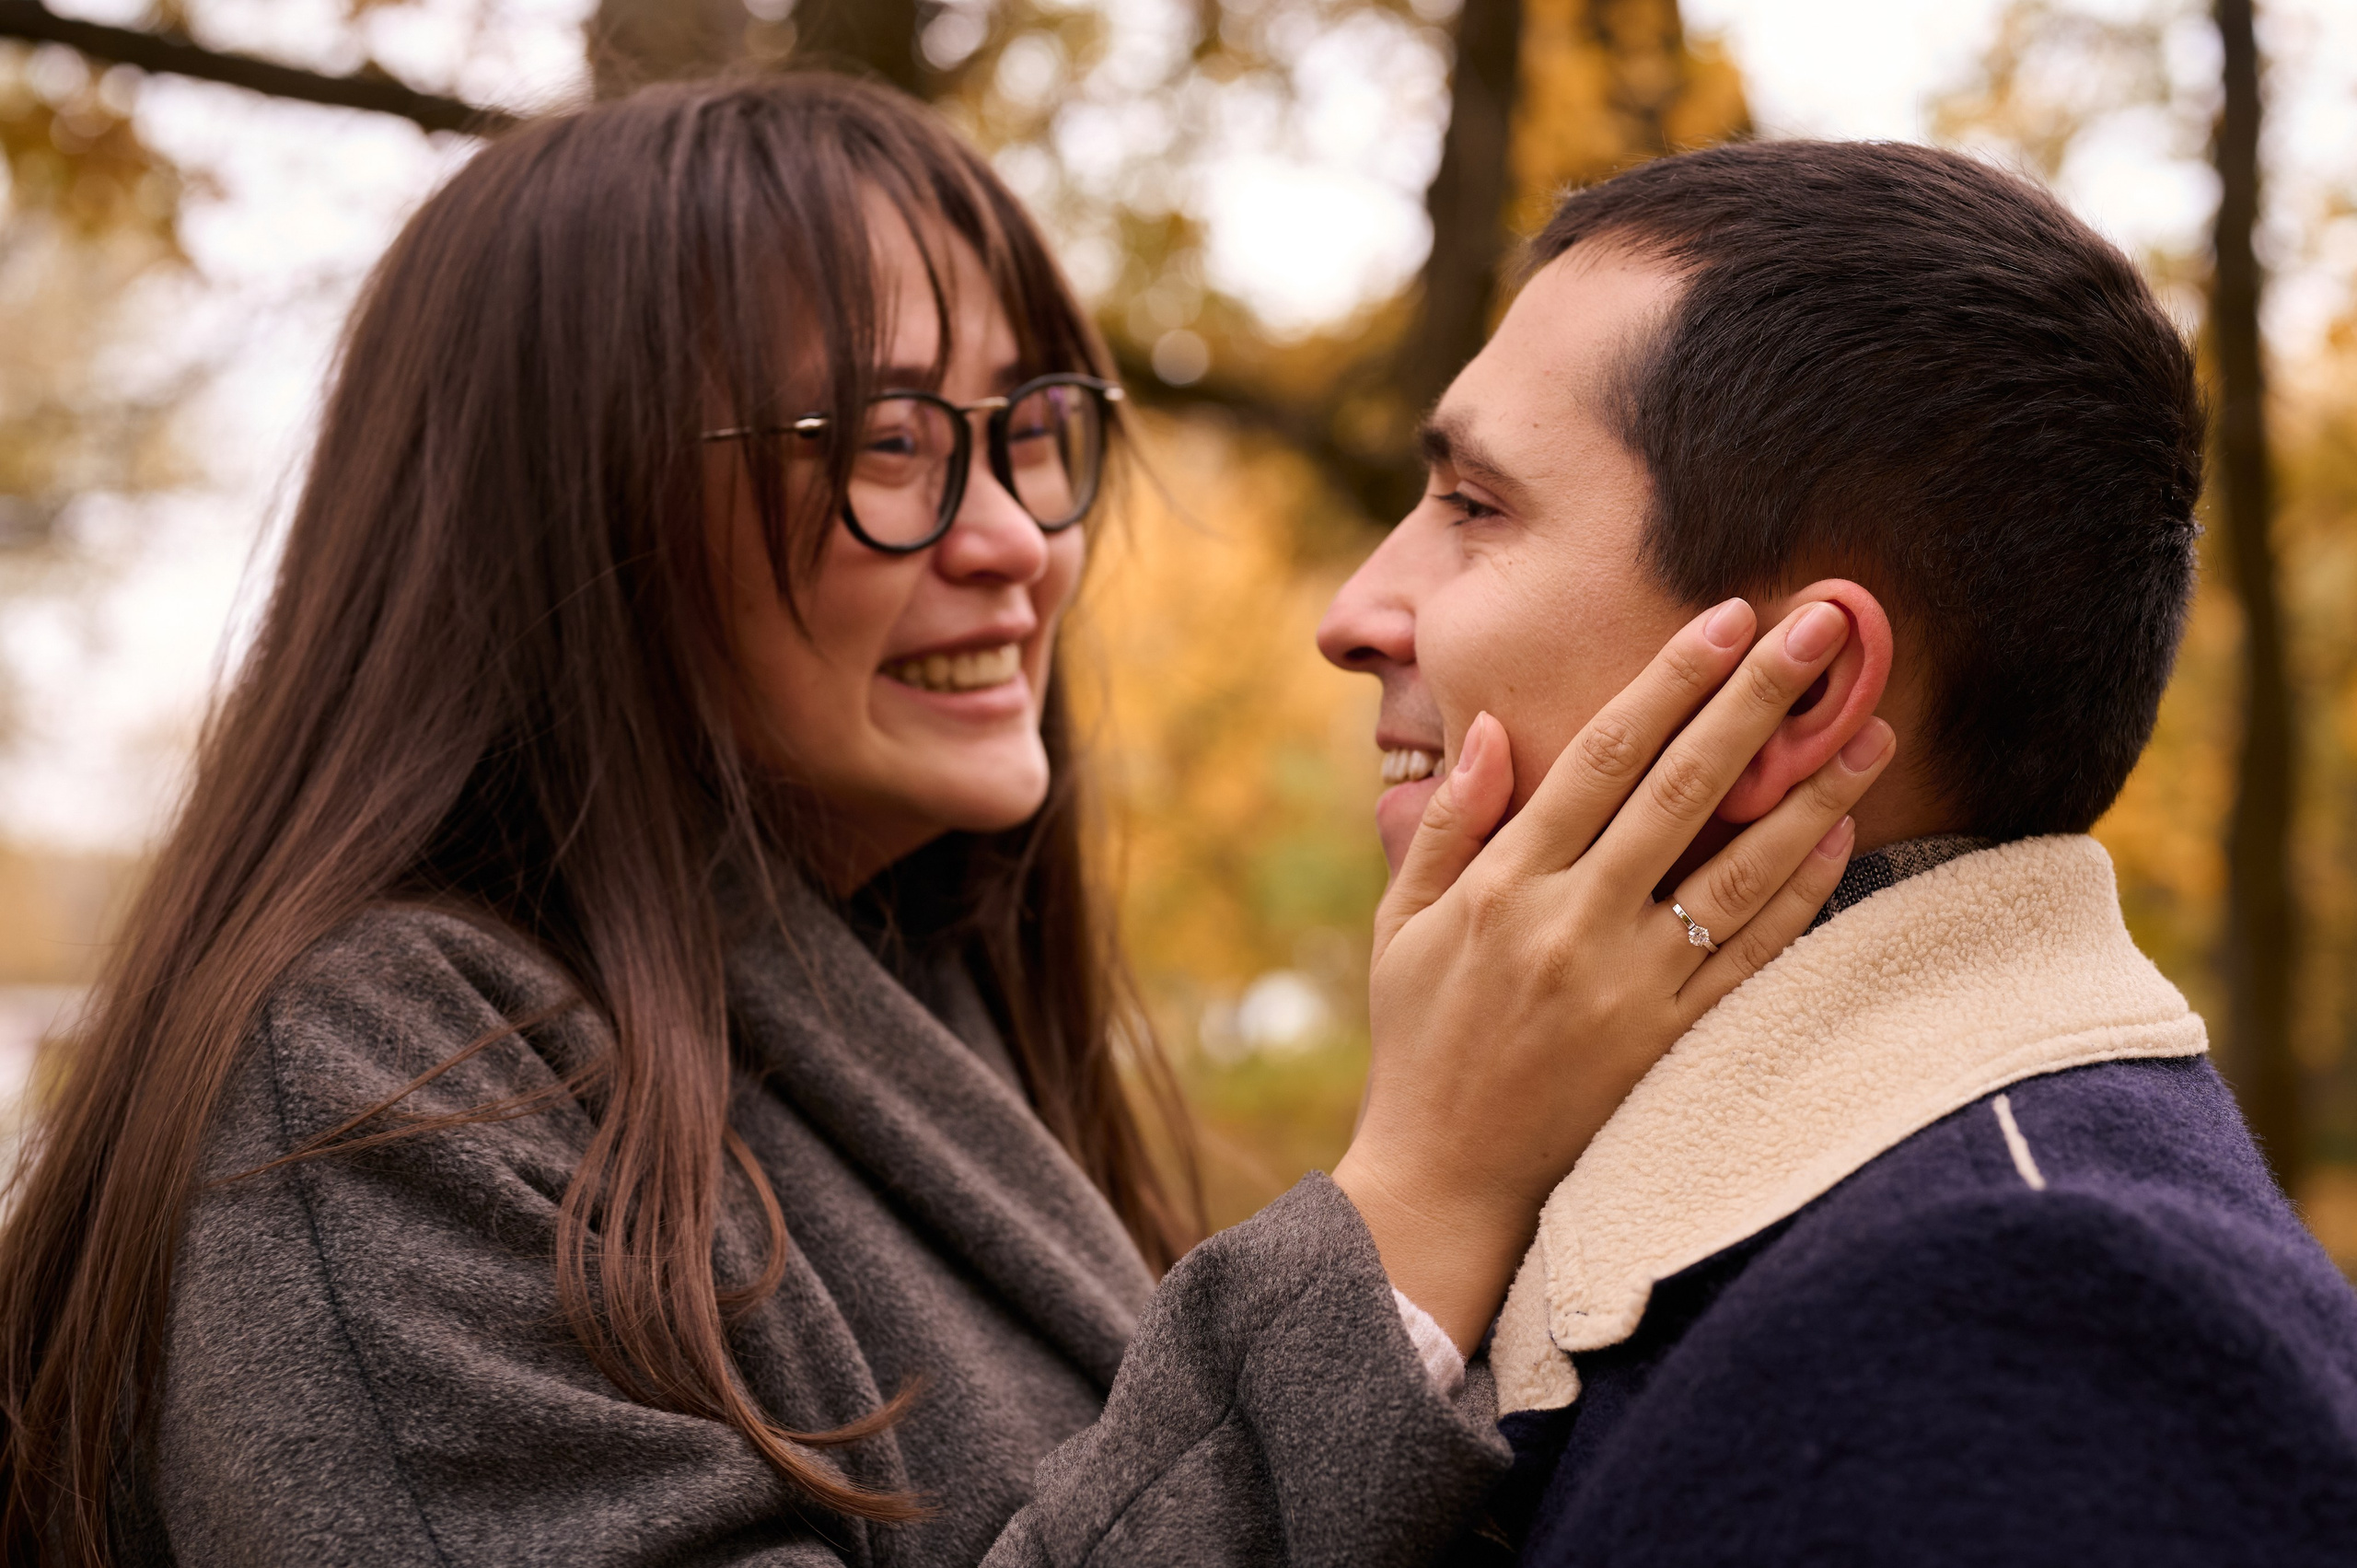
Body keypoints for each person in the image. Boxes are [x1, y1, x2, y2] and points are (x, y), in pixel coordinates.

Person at [0, 77, 1885, 1567]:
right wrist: (1417, 1203)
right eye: (885, 448)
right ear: (571, 519)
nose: (1012, 541)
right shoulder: (377, 1076)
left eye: (1025, 430)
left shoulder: (911, 991)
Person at [1318, 139, 2357, 1566]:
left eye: (1476, 507)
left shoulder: (2032, 1340)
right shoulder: (1798, 1252)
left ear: (1800, 691)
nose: (1356, 611)